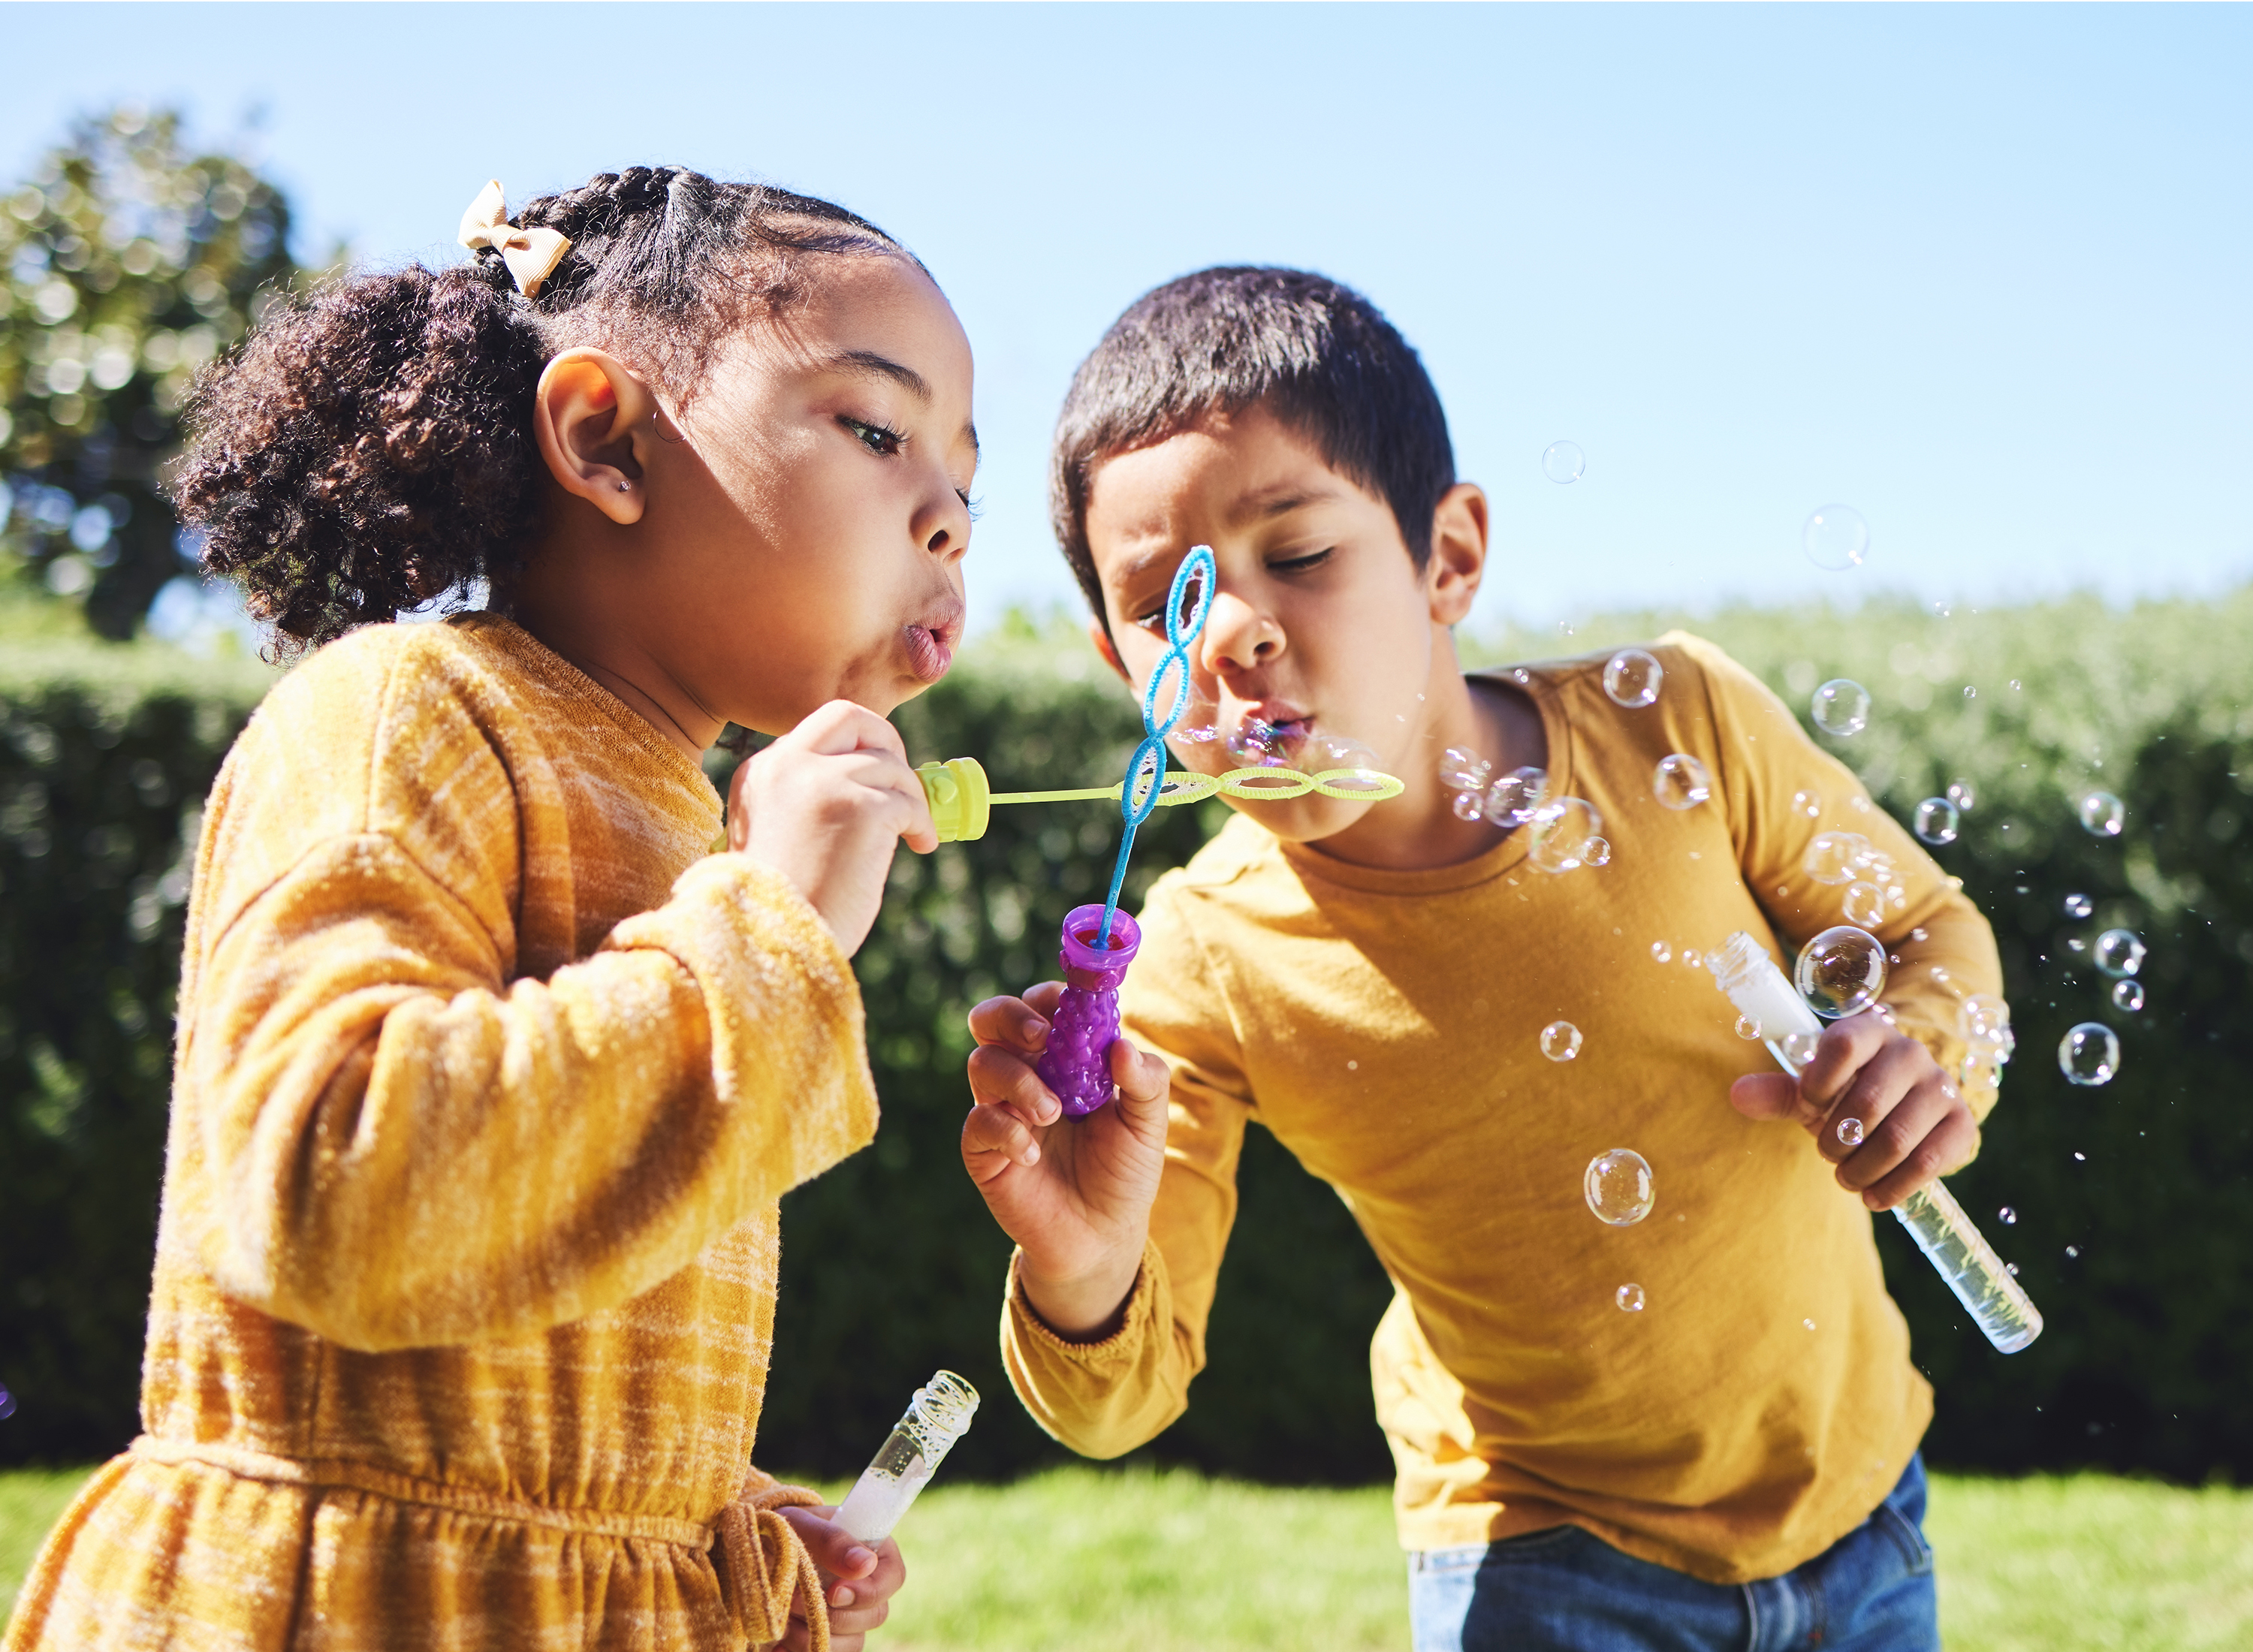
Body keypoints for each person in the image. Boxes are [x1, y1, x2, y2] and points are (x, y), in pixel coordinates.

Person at [4, 166, 977, 1652]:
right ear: (605, 439)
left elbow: (538, 1320)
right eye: (878, 429)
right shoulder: (407, 713)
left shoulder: (690, 819)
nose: (947, 521)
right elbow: (338, 1184)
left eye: (962, 483)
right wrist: (763, 933)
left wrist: (700, 1528)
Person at [960, 266, 2001, 1652]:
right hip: (1535, 1552)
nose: (1235, 632)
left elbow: (1931, 933)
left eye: (1301, 553)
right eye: (1168, 603)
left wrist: (1925, 1048)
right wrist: (1080, 1271)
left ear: (1448, 556)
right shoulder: (1200, 960)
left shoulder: (1677, 726)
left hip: (1862, 1498)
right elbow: (1117, 1401)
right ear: (1116, 664)